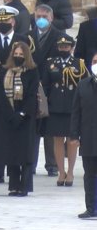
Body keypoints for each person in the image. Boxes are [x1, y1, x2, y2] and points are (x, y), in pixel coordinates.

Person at [0, 5, 28, 185]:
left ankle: (14, 170)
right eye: (0, 21)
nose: (3, 23)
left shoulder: (21, 40)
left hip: (16, 95)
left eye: (6, 20)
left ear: (13, 21)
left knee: (15, 133)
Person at [0, 42, 39, 196]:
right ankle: (13, 185)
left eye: (21, 55)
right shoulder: (5, 71)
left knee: (25, 154)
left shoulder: (32, 71)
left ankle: (25, 186)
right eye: (16, 54)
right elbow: (0, 94)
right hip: (9, 118)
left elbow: (32, 95)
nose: (18, 57)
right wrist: (11, 114)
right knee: (11, 153)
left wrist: (22, 114)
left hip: (25, 118)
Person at [45, 36, 90, 186]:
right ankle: (61, 171)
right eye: (61, 47)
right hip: (56, 106)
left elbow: (85, 85)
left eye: (66, 47)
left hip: (72, 107)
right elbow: (46, 84)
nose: (63, 49)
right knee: (57, 139)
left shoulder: (79, 64)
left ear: (72, 48)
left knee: (72, 141)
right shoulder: (51, 63)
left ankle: (70, 171)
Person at [31, 4, 62, 177]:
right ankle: (30, 162)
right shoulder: (27, 37)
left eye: (44, 16)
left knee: (51, 128)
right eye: (38, 16)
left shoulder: (60, 37)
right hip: (32, 86)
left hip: (51, 88)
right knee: (33, 128)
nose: (40, 19)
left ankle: (52, 164)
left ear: (51, 18)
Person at [70, 53, 97, 218]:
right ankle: (91, 207)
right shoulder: (83, 85)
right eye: (94, 61)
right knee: (90, 175)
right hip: (89, 137)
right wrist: (74, 135)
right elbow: (76, 112)